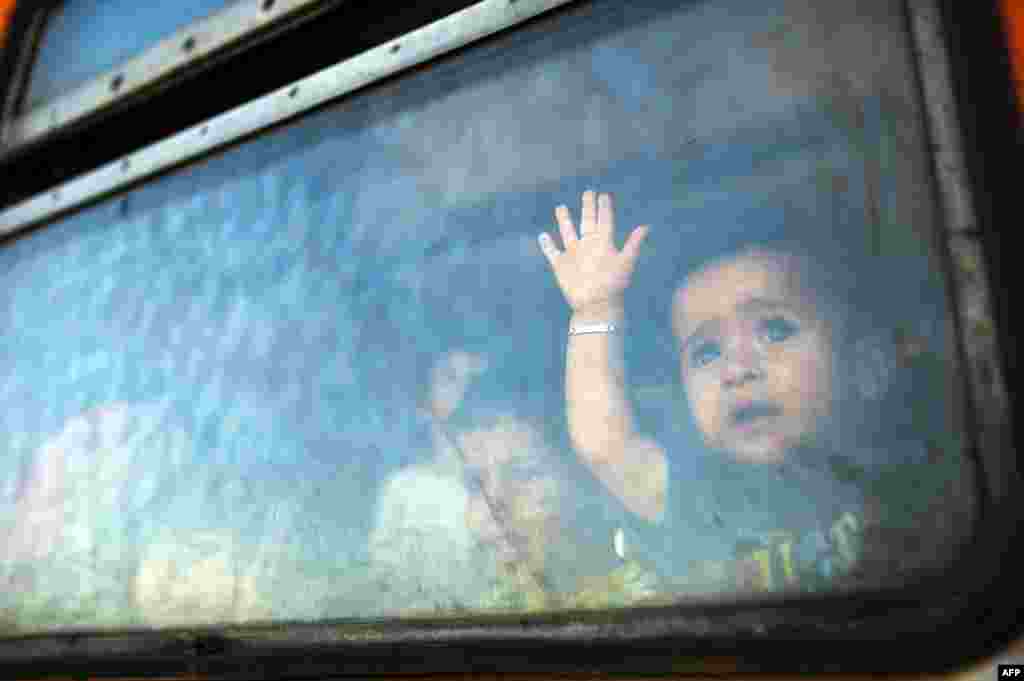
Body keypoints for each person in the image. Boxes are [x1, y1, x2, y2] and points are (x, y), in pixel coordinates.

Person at [536, 189, 939, 596]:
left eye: (774, 330)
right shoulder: (705, 500)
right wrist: (594, 309)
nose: (738, 370)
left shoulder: (911, 472)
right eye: (707, 352)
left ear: (866, 367)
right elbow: (605, 446)